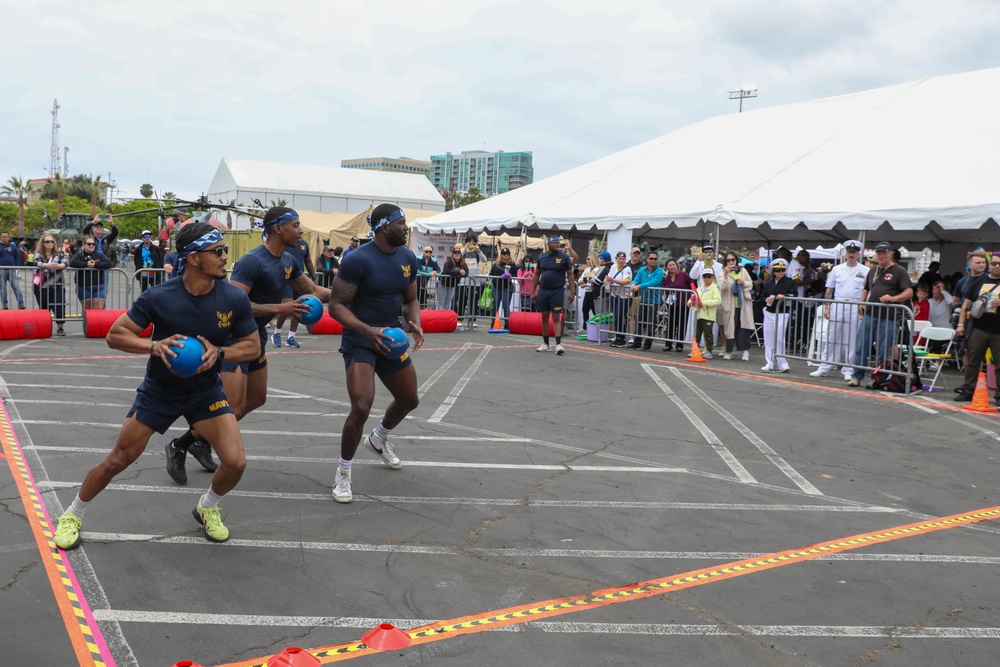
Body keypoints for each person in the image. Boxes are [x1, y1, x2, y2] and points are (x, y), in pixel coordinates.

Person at [52, 223, 260, 549]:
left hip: (205, 392)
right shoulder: (160, 296)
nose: (225, 257)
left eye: (224, 250)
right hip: (160, 391)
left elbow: (252, 346)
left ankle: (206, 508)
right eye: (217, 251)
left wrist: (220, 353)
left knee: (236, 463)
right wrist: (153, 346)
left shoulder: (234, 298)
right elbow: (115, 335)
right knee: (119, 459)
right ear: (193, 258)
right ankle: (72, 514)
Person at [163, 207, 331, 484]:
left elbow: (312, 291)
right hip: (234, 337)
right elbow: (234, 303)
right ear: (278, 228)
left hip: (257, 336)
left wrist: (350, 295)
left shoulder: (289, 260)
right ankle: (179, 445)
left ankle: (197, 440)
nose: (301, 231)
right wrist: (280, 307)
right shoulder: (253, 262)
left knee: (257, 399)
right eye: (296, 225)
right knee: (233, 407)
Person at [327, 203, 424, 503]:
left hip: (392, 338)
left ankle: (379, 438)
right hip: (361, 340)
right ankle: (343, 474)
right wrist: (367, 331)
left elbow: (410, 299)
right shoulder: (357, 260)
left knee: (410, 400)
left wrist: (415, 322)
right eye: (402, 222)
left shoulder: (407, 257)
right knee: (361, 407)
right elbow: (336, 306)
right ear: (384, 226)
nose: (406, 227)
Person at [848, 241, 914, 388]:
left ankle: (877, 378)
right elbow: (866, 288)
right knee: (861, 346)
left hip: (889, 316)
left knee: (883, 350)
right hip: (871, 313)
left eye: (884, 253)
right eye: (879, 253)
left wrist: (893, 299)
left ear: (890, 254)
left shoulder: (899, 271)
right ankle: (856, 376)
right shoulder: (872, 270)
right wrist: (862, 302)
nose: (881, 255)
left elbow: (909, 292)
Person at [810, 240, 869, 380]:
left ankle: (848, 369)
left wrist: (863, 306)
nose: (851, 255)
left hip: (855, 305)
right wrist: (826, 306)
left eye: (854, 253)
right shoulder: (837, 269)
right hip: (838, 303)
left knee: (851, 338)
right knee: (832, 336)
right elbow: (829, 289)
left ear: (859, 254)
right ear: (845, 253)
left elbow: (867, 291)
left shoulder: (865, 271)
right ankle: (825, 367)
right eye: (849, 252)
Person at [954, 252, 1000, 403]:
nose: (997, 266)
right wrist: (961, 325)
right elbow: (965, 306)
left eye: (999, 264)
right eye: (994, 263)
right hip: (979, 329)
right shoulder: (979, 282)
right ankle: (968, 391)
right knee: (973, 361)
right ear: (990, 265)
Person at [272, 234, 317, 348]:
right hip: (286, 279)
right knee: (287, 305)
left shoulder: (304, 245)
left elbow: (308, 261)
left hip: (299, 280)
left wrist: (314, 278)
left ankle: (290, 337)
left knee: (298, 307)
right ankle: (277, 333)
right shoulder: (286, 244)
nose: (298, 232)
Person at [531, 236, 575, 354]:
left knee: (556, 317)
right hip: (543, 290)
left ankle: (559, 344)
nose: (557, 245)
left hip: (557, 291)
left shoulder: (564, 257)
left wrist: (572, 292)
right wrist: (532, 292)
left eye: (558, 243)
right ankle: (546, 343)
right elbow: (536, 275)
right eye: (554, 243)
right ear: (548, 244)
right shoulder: (541, 257)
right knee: (544, 316)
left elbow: (570, 275)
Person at [759, 259, 798, 372]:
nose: (781, 272)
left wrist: (784, 296)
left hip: (782, 312)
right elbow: (762, 296)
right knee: (768, 338)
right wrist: (765, 299)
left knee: (779, 338)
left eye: (782, 270)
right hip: (769, 311)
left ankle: (782, 363)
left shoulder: (790, 282)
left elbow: (794, 294)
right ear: (774, 272)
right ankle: (770, 362)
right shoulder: (770, 283)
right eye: (778, 270)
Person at [718, 252, 754, 361]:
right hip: (730, 304)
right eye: (728, 260)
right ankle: (729, 351)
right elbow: (722, 287)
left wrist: (743, 282)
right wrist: (725, 274)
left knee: (743, 327)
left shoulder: (743, 271)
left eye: (732, 260)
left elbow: (750, 284)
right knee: (730, 329)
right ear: (725, 262)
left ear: (736, 260)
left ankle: (745, 352)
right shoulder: (722, 273)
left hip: (742, 304)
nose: (731, 262)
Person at [32, 234, 68, 336]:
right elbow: (36, 262)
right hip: (43, 285)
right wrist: (47, 265)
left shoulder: (59, 253)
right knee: (44, 306)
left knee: (59, 305)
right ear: (43, 243)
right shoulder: (39, 254)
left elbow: (66, 261)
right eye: (47, 241)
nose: (50, 243)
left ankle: (60, 328)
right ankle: (44, 327)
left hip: (58, 284)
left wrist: (61, 265)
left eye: (52, 241)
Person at [628, 250, 664, 350]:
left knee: (650, 322)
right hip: (643, 298)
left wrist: (639, 286)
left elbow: (654, 282)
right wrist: (633, 284)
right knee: (638, 321)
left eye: (655, 259)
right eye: (651, 258)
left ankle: (648, 343)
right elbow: (636, 278)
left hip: (655, 300)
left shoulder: (659, 271)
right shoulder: (642, 269)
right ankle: (637, 341)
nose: (653, 260)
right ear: (647, 259)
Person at [69, 235, 112, 309]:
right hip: (83, 286)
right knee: (86, 308)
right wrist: (86, 264)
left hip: (99, 285)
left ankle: (96, 321)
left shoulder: (99, 255)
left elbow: (109, 263)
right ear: (84, 244)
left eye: (93, 244)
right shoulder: (79, 255)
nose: (91, 245)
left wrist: (96, 264)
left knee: (98, 308)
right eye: (89, 244)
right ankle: (85, 321)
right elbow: (72, 262)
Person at [661, 258, 691, 353]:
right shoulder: (666, 278)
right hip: (671, 303)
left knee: (682, 324)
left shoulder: (684, 275)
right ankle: (668, 344)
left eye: (673, 264)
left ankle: (679, 345)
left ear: (677, 265)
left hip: (683, 303)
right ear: (667, 267)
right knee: (670, 323)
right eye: (669, 265)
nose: (672, 267)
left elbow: (691, 285)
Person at [604, 251, 633, 347]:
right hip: (614, 294)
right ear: (616, 259)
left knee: (620, 316)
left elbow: (625, 281)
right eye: (619, 259)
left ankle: (621, 338)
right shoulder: (613, 267)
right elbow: (608, 277)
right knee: (616, 316)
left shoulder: (627, 268)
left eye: (623, 259)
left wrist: (613, 280)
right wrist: (606, 280)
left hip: (624, 296)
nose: (621, 261)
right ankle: (617, 336)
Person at [457, 235, 487, 324]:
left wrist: (479, 251)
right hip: (463, 281)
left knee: (473, 301)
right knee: (462, 300)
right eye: (469, 242)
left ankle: (473, 320)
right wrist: (464, 248)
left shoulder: (477, 253)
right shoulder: (463, 252)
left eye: (473, 242)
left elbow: (485, 260)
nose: (471, 244)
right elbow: (457, 257)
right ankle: (460, 319)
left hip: (475, 282)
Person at [693, 267, 722, 358]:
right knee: (696, 334)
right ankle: (695, 350)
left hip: (708, 315)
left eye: (709, 276)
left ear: (713, 277)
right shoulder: (699, 288)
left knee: (708, 334)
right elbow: (693, 297)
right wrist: (690, 303)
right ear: (702, 277)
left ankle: (709, 350)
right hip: (699, 314)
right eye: (705, 276)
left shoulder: (715, 288)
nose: (707, 278)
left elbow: (717, 301)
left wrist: (704, 303)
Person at [489, 247, 519, 325]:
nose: (506, 256)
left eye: (507, 254)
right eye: (504, 254)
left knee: (506, 306)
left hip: (507, 287)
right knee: (495, 306)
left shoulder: (512, 264)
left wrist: (510, 275)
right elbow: (491, 274)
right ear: (501, 255)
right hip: (496, 287)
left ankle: (507, 323)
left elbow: (515, 275)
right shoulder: (496, 264)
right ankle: (493, 322)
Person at [0, 231, 25, 309]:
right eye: (3, 237)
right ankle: (5, 305)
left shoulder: (12, 245)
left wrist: (16, 266)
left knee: (16, 287)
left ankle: (21, 304)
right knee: (2, 288)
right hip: (2, 270)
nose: (5, 238)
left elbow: (17, 256)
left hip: (12, 270)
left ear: (8, 237)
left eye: (6, 236)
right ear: (0, 238)